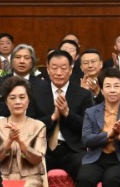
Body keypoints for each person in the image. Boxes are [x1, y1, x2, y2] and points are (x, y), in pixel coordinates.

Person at [39, 50, 92, 179]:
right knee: (31, 166)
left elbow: (87, 126)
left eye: (63, 68)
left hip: (72, 150)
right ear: (48, 69)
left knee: (86, 169)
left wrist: (67, 114)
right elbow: (30, 123)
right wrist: (52, 118)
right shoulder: (36, 92)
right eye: (54, 68)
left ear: (70, 70)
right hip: (43, 149)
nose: (59, 73)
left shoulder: (83, 94)